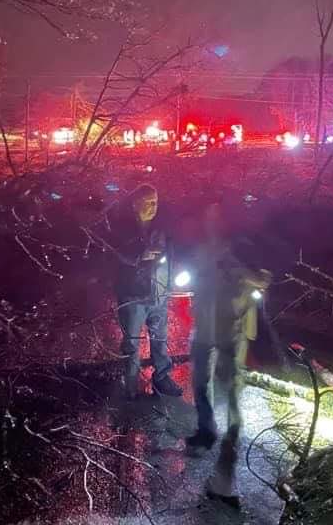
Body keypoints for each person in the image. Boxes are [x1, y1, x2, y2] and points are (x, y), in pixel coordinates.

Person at [186, 203, 270, 508]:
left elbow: (261, 279)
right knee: (199, 382)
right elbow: (196, 279)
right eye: (207, 218)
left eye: (217, 218)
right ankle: (206, 429)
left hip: (231, 333)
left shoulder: (242, 250)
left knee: (233, 398)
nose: (211, 224)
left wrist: (247, 275)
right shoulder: (201, 249)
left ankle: (225, 482)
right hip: (204, 328)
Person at [103, 183, 183, 399]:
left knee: (160, 337)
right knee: (132, 343)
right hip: (133, 296)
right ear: (134, 204)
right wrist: (139, 255)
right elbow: (114, 253)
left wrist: (171, 280)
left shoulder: (161, 228)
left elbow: (174, 253)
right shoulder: (123, 228)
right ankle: (130, 383)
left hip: (159, 293)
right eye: (147, 202)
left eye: (155, 202)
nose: (153, 206)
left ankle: (162, 378)